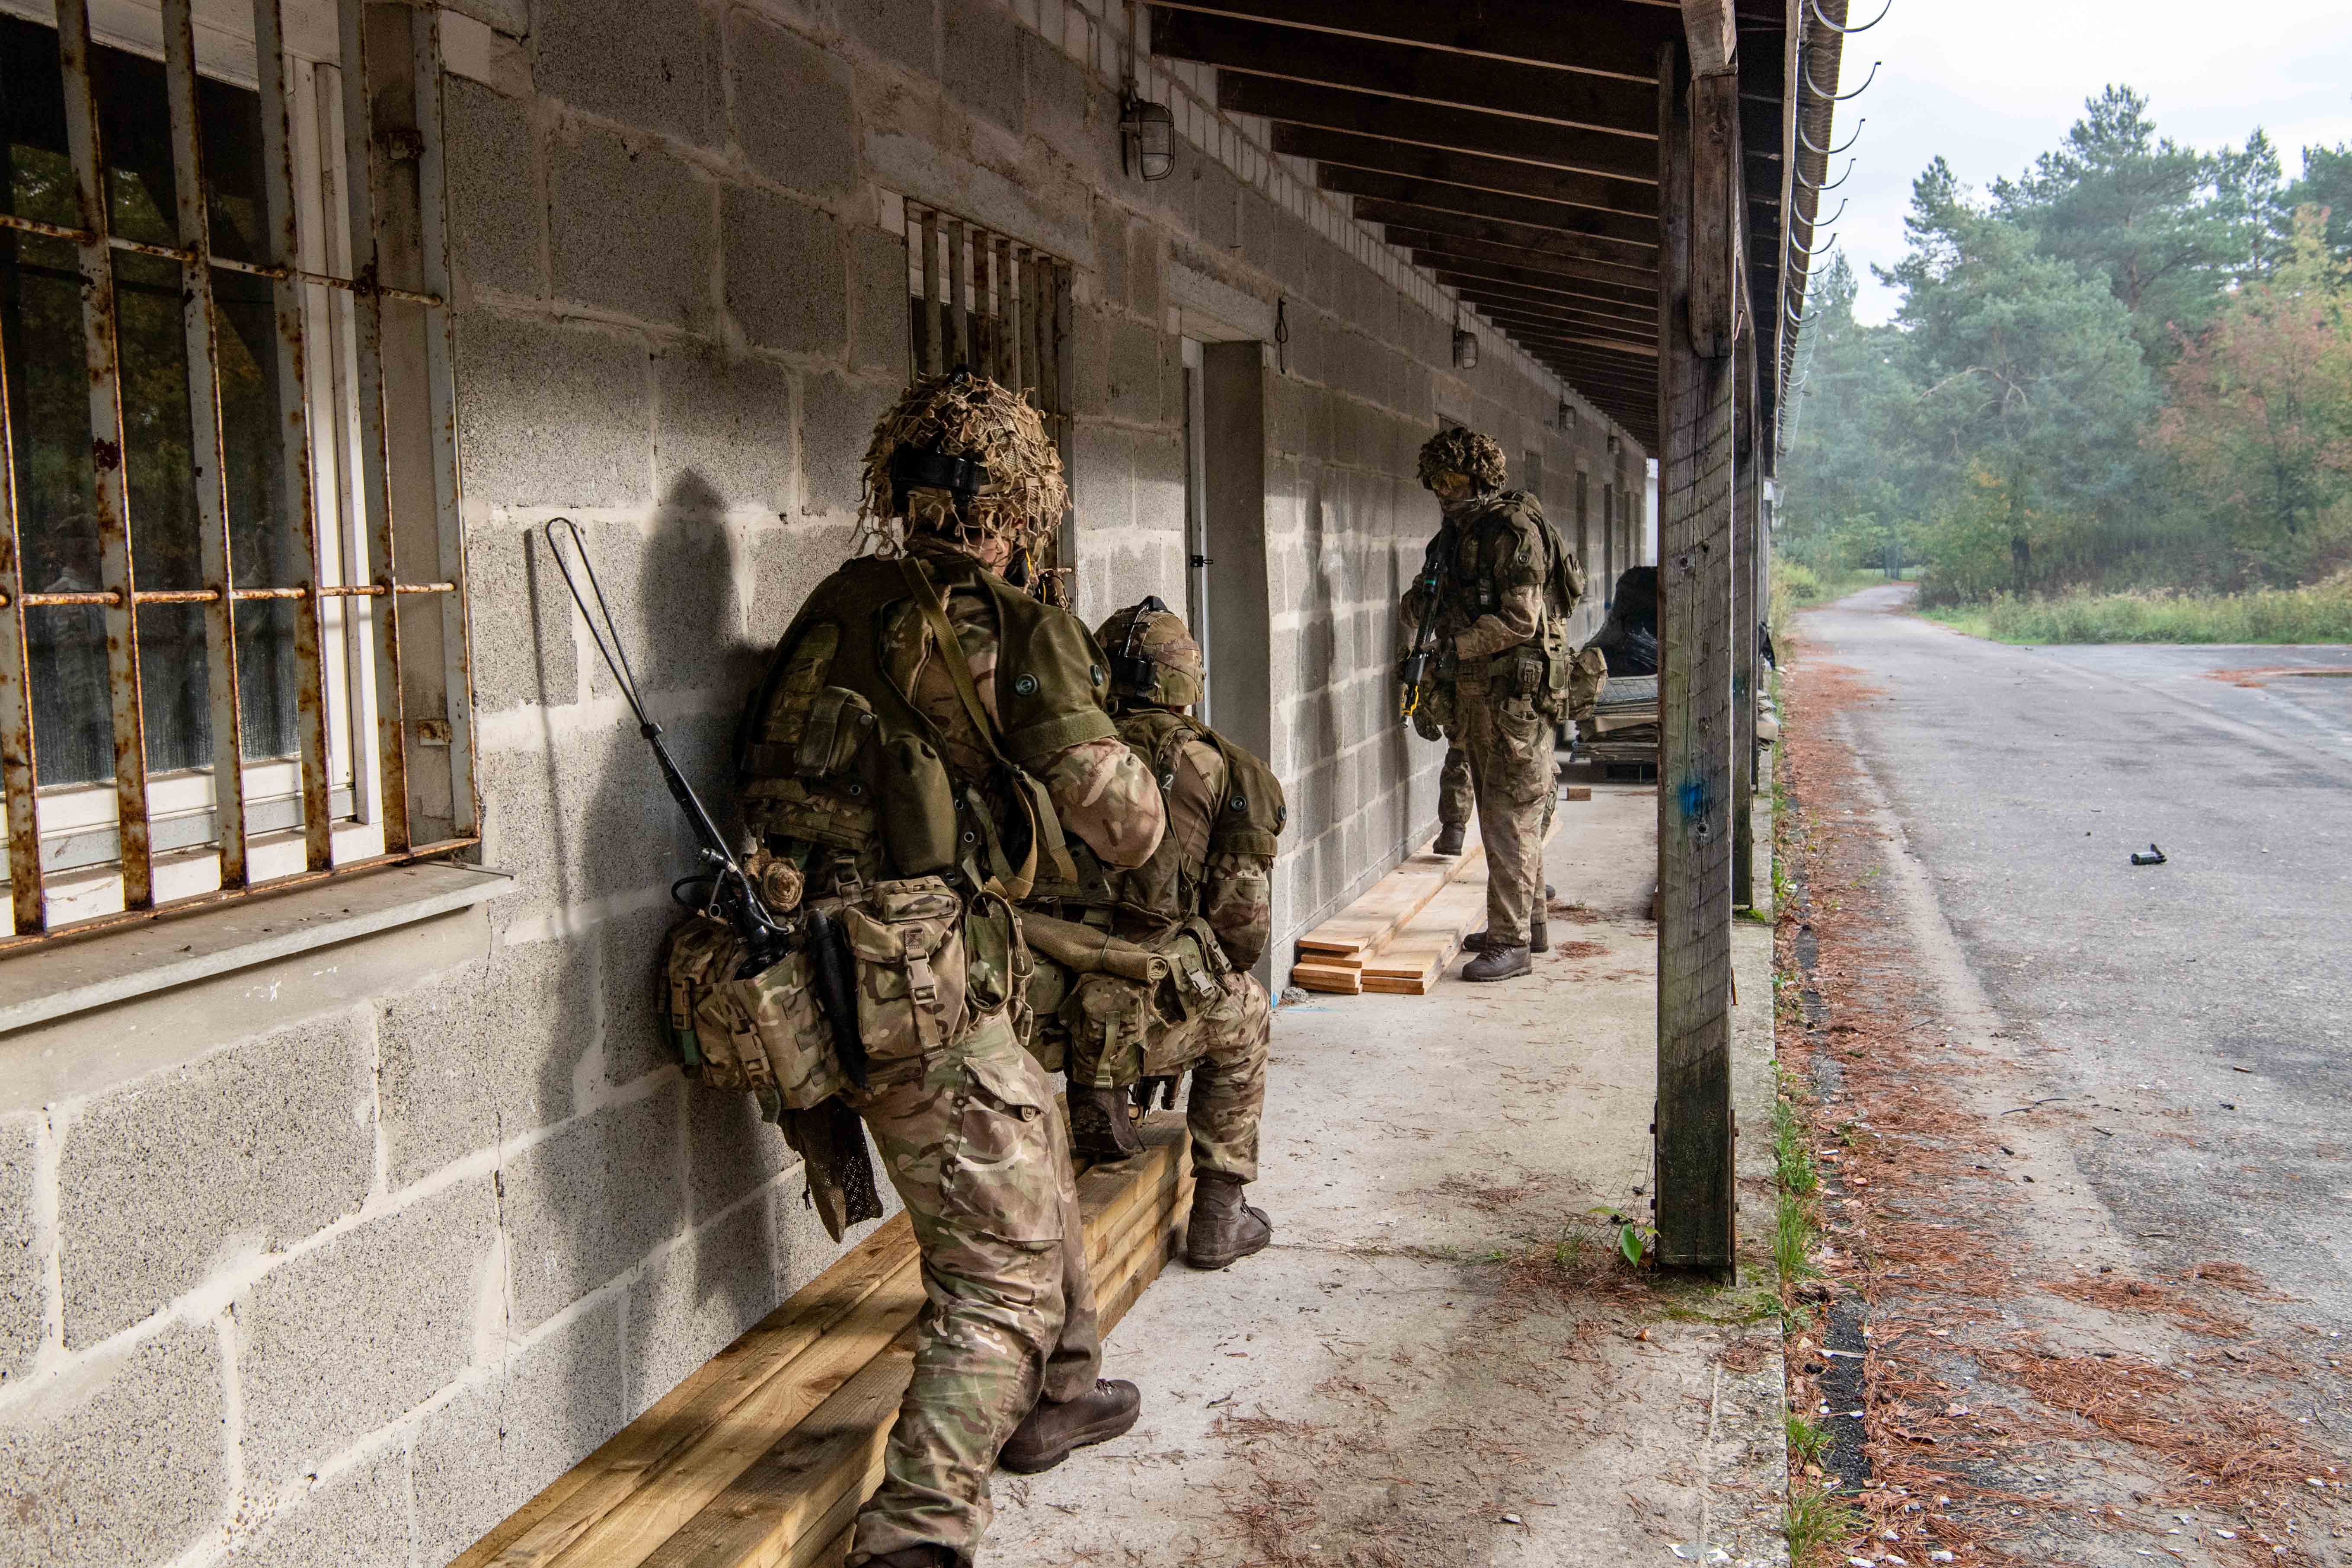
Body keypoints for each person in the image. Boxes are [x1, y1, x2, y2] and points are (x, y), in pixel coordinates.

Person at [734, 370, 1167, 1568]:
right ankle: (917, 1534)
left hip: (817, 979)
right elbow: (1126, 826)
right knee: (999, 1285)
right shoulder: (1002, 625)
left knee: (1031, 1139)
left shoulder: (835, 603)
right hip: (920, 984)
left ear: (899, 489)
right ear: (1020, 506)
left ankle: (1064, 1388)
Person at [1045, 597, 1283, 1270]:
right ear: (1185, 683)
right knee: (1244, 1012)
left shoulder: (1057, 751)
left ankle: (1099, 1085)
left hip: (1040, 999)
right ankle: (1219, 1212)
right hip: (1141, 993)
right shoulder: (1222, 767)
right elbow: (1243, 930)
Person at [1398, 427, 1582, 982]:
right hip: (1481, 697)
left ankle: (1511, 942)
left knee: (1510, 817)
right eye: (1434, 484)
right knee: (1504, 811)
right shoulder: (1457, 533)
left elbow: (1521, 619)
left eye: (1451, 481)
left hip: (1512, 700)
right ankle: (1530, 924)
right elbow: (1427, 600)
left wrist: (1456, 645)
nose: (1442, 493)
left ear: (1479, 478)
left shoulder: (1510, 530)